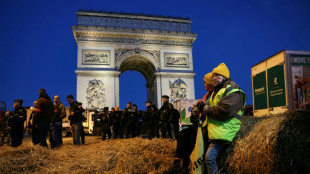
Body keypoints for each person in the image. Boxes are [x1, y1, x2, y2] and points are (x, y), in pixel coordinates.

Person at [202, 63, 246, 174]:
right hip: (216, 130)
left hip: (224, 130)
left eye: (217, 75)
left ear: (224, 76)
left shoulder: (233, 90)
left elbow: (226, 111)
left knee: (209, 158)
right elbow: (211, 105)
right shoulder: (218, 90)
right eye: (213, 76)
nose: (213, 78)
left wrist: (208, 110)